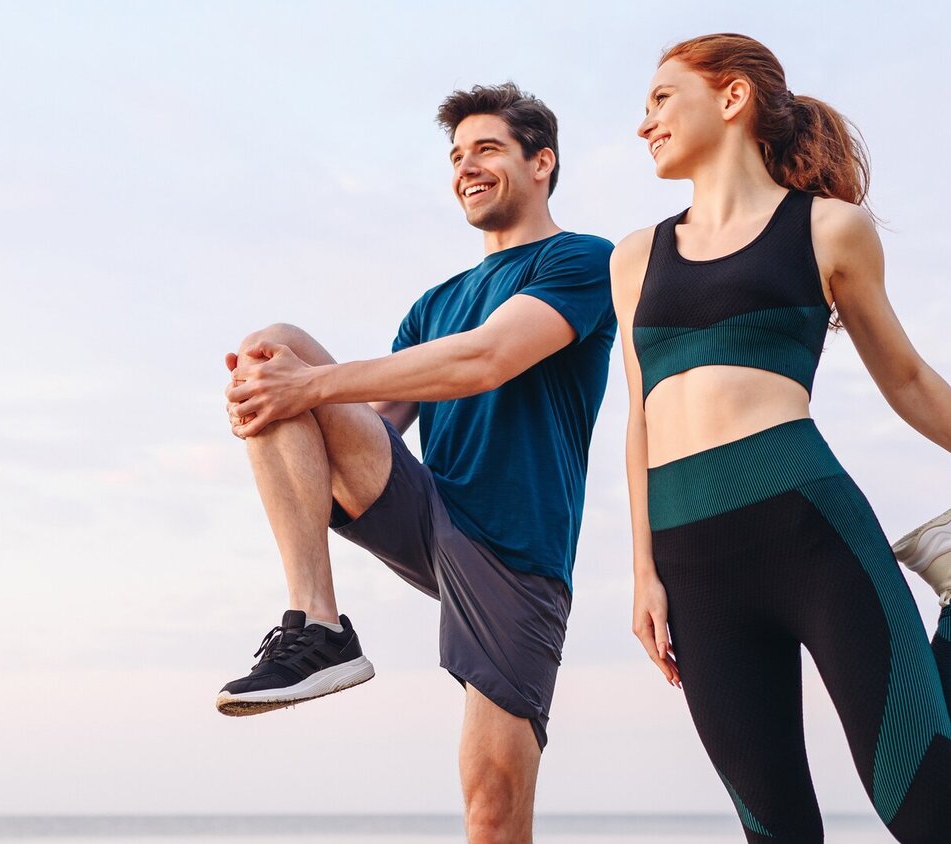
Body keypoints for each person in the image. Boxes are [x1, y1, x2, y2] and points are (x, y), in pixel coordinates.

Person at [217, 83, 616, 843]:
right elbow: (375, 428)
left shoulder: (582, 260)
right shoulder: (435, 302)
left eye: (487, 149)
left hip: (514, 549)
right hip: (426, 513)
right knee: (273, 347)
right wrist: (273, 402)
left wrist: (307, 386)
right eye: (457, 156)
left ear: (542, 162)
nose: (466, 167)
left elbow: (489, 359)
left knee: (491, 810)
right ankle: (319, 625)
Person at [611, 33, 951, 844]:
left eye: (662, 98)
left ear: (732, 99)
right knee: (776, 831)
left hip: (810, 533)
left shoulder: (829, 229)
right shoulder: (635, 257)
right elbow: (639, 417)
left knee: (929, 809)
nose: (643, 123)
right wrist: (644, 573)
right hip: (692, 564)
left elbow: (905, 379)